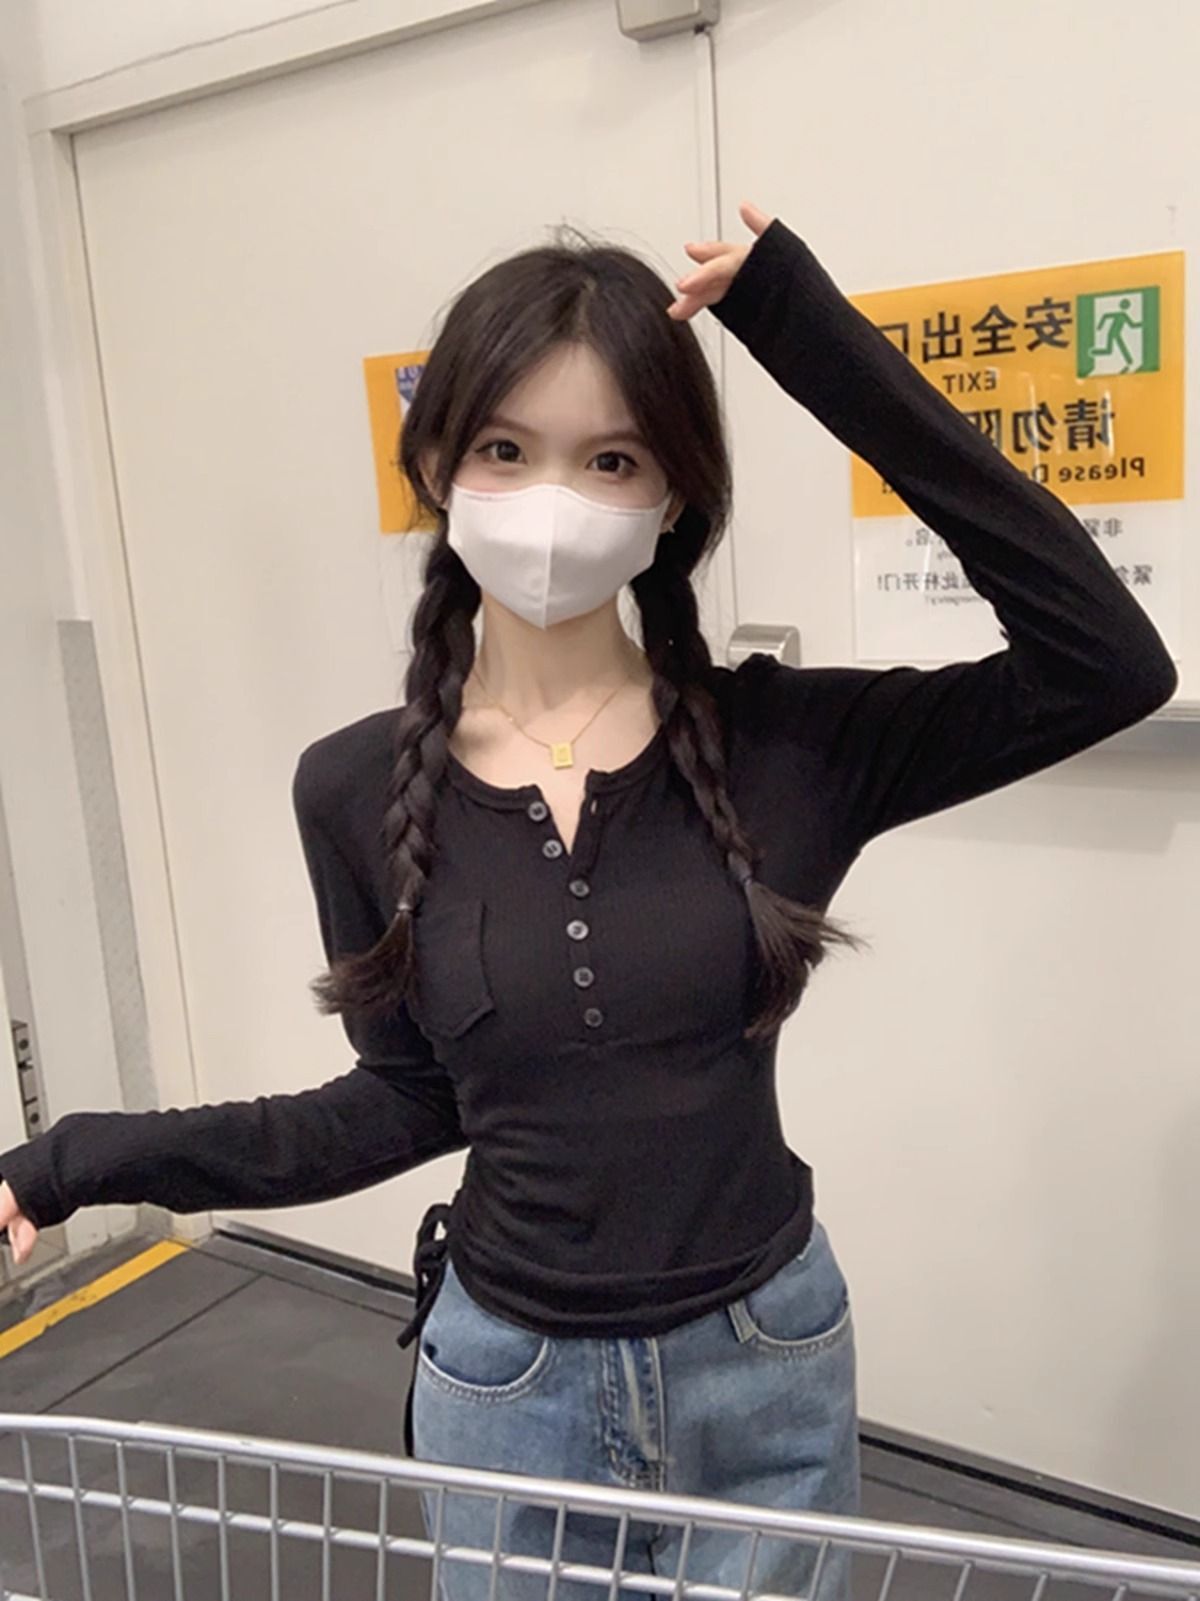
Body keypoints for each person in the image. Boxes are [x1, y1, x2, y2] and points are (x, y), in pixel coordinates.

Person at [0, 200, 1177, 1600]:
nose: (551, 498)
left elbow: (1107, 661)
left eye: (611, 458)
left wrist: (802, 330)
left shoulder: (790, 745)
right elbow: (404, 1101)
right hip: (509, 1393)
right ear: (436, 464)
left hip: (769, 1373)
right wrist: (68, 1161)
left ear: (672, 498)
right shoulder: (353, 787)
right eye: (505, 449)